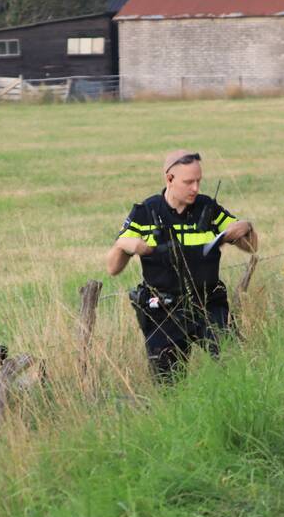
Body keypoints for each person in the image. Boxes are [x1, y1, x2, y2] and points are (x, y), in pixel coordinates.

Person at [107, 150, 258, 381]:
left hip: (210, 306)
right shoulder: (145, 212)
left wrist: (245, 228)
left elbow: (251, 247)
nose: (195, 188)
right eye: (189, 182)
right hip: (163, 314)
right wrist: (125, 246)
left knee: (237, 371)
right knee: (169, 386)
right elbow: (112, 268)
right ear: (169, 179)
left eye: (199, 181)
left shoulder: (208, 208)